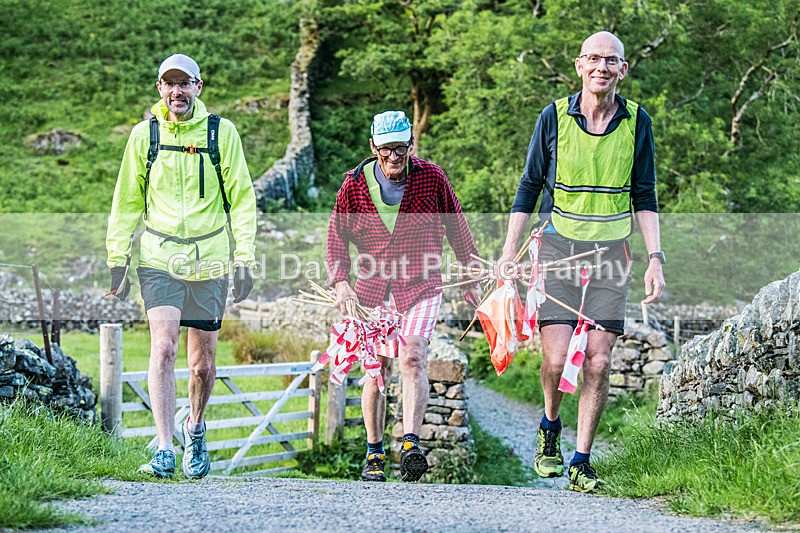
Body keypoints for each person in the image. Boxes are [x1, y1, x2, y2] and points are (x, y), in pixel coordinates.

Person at [498, 31, 665, 492]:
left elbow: (645, 195)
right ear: (578, 65)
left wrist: (655, 258)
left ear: (623, 70)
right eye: (593, 59)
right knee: (554, 360)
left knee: (598, 361)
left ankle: (581, 459)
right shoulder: (552, 117)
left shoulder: (638, 121)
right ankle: (550, 427)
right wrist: (508, 253)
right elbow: (529, 187)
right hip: (556, 250)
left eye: (611, 61)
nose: (602, 68)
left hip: (612, 256)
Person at [106, 54, 257, 479]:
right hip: (158, 258)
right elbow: (126, 201)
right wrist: (117, 258)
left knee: (201, 365)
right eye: (169, 84)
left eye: (184, 84)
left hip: (210, 260)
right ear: (159, 88)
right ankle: (165, 447)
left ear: (198, 87)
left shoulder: (221, 133)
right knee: (165, 347)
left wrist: (244, 257)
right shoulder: (144, 136)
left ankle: (196, 426)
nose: (177, 92)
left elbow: (242, 199)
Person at [326, 111, 480, 482]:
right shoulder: (353, 186)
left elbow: (457, 225)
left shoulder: (431, 177)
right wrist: (340, 282)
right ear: (373, 147)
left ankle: (410, 444)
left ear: (412, 143)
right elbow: (335, 240)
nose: (395, 157)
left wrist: (470, 274)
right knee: (377, 369)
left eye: (402, 148)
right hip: (371, 291)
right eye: (386, 150)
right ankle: (375, 452)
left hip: (420, 284)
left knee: (412, 356)